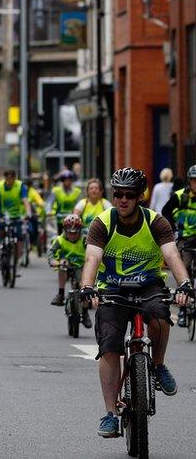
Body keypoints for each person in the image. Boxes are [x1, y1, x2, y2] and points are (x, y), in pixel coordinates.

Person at [78, 167, 193, 438]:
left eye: (129, 195)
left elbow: (172, 255)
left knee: (160, 317)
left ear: (140, 196)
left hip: (148, 286)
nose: (123, 200)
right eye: (118, 194)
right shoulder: (102, 222)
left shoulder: (156, 222)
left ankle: (158, 365)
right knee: (109, 346)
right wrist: (87, 287)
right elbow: (92, 258)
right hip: (113, 289)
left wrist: (185, 285)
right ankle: (110, 413)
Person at [160, 163, 196, 327]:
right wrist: (173, 229)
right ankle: (182, 309)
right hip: (185, 237)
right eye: (194, 180)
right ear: (189, 181)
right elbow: (165, 212)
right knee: (185, 266)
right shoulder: (180, 196)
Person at [47, 215, 91, 328]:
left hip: (81, 266)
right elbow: (51, 253)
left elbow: (92, 253)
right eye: (70, 232)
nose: (72, 235)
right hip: (66, 264)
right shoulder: (59, 240)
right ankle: (61, 294)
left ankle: (85, 313)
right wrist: (53, 262)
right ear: (65, 231)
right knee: (62, 267)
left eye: (75, 232)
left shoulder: (84, 239)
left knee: (84, 288)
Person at [0, 170, 33, 270]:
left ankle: (16, 260)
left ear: (15, 178)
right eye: (8, 179)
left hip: (17, 215)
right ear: (4, 178)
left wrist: (28, 213)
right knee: (0, 229)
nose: (10, 182)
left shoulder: (21, 186)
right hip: (2, 214)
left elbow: (25, 201)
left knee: (19, 237)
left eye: (12, 179)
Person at [50, 170, 82, 234]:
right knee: (59, 236)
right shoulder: (56, 191)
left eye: (70, 180)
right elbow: (50, 203)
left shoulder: (77, 191)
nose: (68, 182)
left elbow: (80, 204)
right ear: (62, 181)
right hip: (60, 219)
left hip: (73, 219)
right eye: (66, 180)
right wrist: (51, 212)